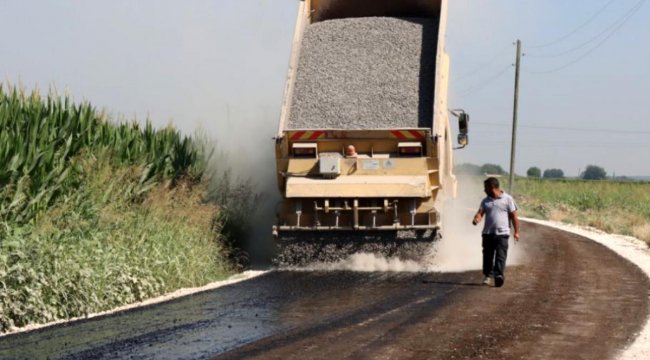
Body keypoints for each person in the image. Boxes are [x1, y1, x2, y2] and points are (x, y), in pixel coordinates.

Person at [472, 177, 520, 287]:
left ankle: (499, 276)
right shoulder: (485, 201)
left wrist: (516, 232)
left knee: (501, 255)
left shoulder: (508, 199)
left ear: (491, 187)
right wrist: (477, 218)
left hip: (503, 233)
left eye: (486, 187)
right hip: (488, 233)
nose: (484, 190)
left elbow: (514, 217)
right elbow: (480, 213)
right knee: (488, 256)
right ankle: (488, 276)